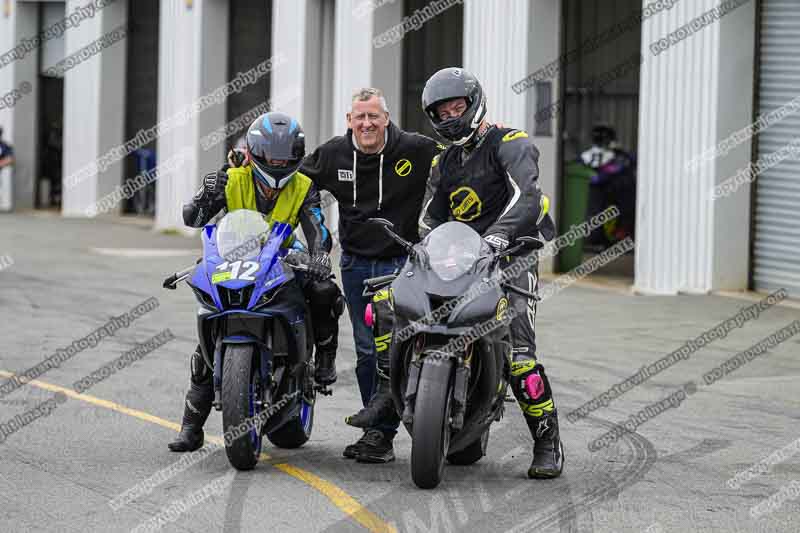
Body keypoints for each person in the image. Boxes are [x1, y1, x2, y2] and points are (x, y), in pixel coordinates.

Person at [346, 68, 564, 479]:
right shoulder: (444, 161)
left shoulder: (510, 143)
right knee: (385, 304)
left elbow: (528, 198)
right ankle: (385, 395)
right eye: (440, 111)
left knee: (519, 356)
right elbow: (430, 217)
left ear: (473, 103)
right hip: (459, 259)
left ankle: (547, 441)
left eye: (456, 107)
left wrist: (497, 239)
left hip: (511, 255)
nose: (449, 116)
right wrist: (429, 248)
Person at [168, 111, 344, 452]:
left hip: (282, 260)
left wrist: (320, 255)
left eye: (285, 155)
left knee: (325, 290)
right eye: (272, 155)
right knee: (206, 341)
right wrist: (205, 195)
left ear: (296, 155)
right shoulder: (232, 178)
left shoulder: (304, 186)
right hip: (232, 259)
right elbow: (193, 218)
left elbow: (317, 229)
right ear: (255, 152)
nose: (278, 162)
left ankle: (324, 358)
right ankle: (191, 427)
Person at [301, 88, 442, 463]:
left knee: (403, 344)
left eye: (373, 117)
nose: (367, 124)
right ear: (349, 120)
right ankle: (379, 435)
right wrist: (317, 231)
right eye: (359, 117)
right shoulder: (332, 153)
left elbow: (459, 160)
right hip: (356, 264)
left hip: (404, 263)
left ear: (386, 118)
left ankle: (429, 420)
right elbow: (297, 183)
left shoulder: (416, 148)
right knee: (367, 350)